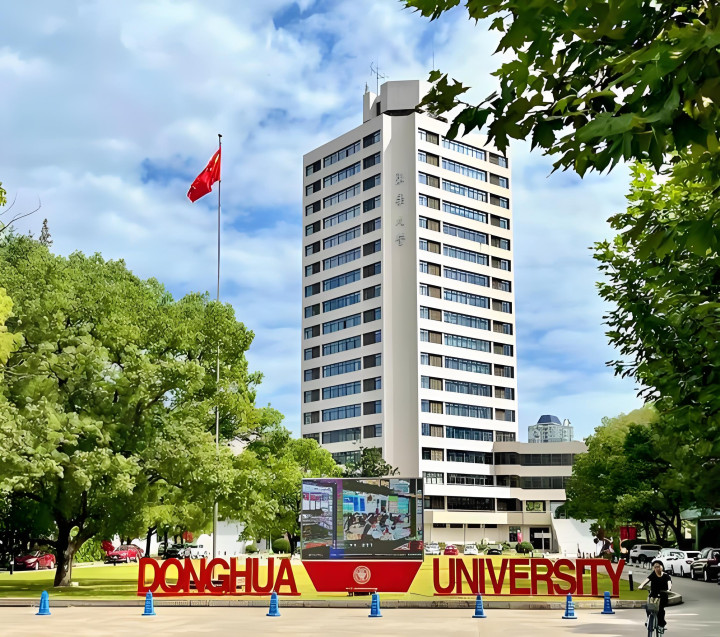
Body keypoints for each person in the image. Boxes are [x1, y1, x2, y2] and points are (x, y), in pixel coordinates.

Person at [639, 560, 672, 632]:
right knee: (648, 607)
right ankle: (649, 618)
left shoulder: (666, 576)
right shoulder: (653, 575)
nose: (657, 568)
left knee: (660, 609)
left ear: (662, 567)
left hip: (662, 595)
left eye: (658, 566)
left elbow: (669, 583)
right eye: (655, 567)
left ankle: (661, 625)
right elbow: (647, 580)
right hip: (653, 594)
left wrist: (669, 589)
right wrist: (641, 585)